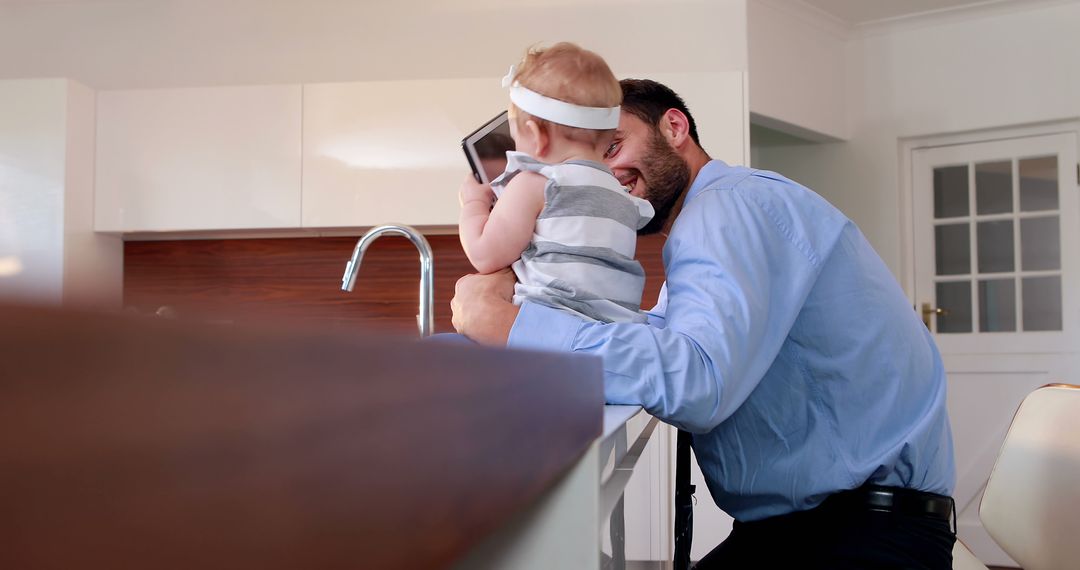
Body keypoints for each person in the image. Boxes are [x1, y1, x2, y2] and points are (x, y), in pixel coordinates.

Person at [452, 79, 957, 569]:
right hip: (829, 529)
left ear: (674, 127)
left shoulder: (727, 206)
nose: (601, 173)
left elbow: (697, 380)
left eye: (613, 146)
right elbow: (669, 342)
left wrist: (512, 325)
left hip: (855, 539)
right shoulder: (716, 221)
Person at [458, 43, 654, 324]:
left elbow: (484, 255)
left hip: (548, 329)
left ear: (537, 136)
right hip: (608, 335)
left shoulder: (537, 183)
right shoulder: (624, 196)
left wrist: (473, 202)